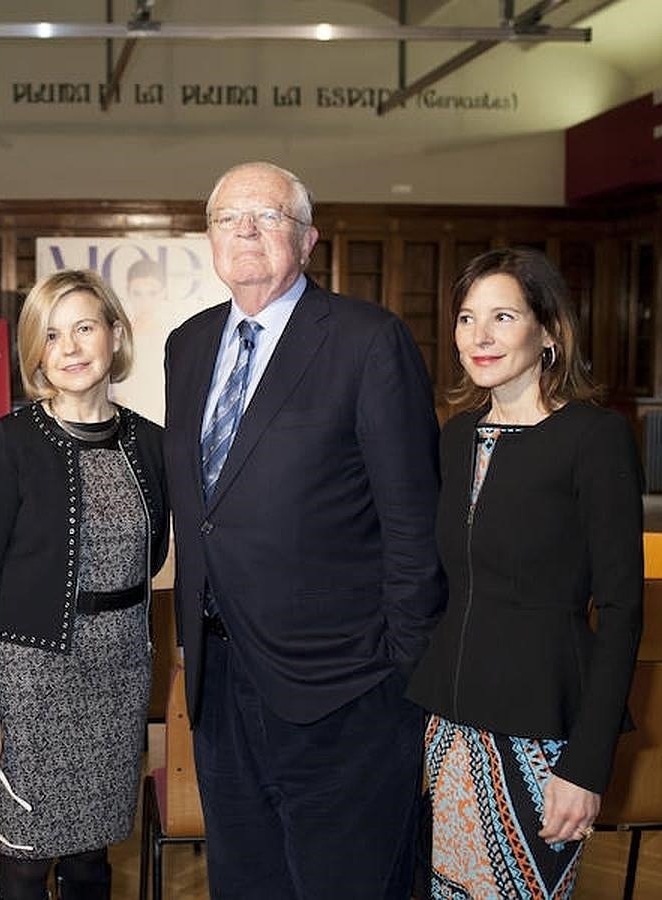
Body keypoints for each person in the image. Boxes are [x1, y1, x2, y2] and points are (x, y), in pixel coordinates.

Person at [162, 161, 445, 898]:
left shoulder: (367, 341)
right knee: (244, 882)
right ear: (210, 237)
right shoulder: (187, 345)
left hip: (344, 688)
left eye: (269, 217)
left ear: (309, 239)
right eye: (229, 218)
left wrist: (400, 677)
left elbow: (415, 524)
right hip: (221, 680)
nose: (246, 232)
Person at [406, 247, 643, 898]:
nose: (478, 337)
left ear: (548, 331)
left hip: (544, 739)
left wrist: (589, 764)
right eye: (465, 318)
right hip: (448, 732)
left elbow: (623, 612)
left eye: (502, 317)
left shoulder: (595, 438)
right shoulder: (455, 438)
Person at [0, 269, 169, 900]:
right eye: (52, 335)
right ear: (36, 353)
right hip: (29, 681)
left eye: (84, 328)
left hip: (119, 671)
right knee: (25, 860)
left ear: (115, 335)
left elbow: (155, 559)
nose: (71, 348)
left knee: (91, 858)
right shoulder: (11, 441)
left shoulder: (152, 444)